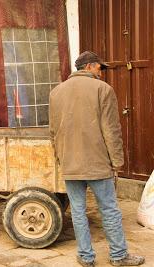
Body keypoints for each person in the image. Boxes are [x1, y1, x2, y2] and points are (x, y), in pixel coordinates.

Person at [49, 51, 145, 267]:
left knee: (78, 211)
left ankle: (85, 257)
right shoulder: (103, 90)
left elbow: (53, 131)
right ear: (90, 66)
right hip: (98, 163)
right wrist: (117, 161)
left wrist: (60, 158)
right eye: (100, 68)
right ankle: (119, 256)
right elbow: (111, 130)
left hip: (70, 164)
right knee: (109, 209)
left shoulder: (56, 92)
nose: (101, 73)